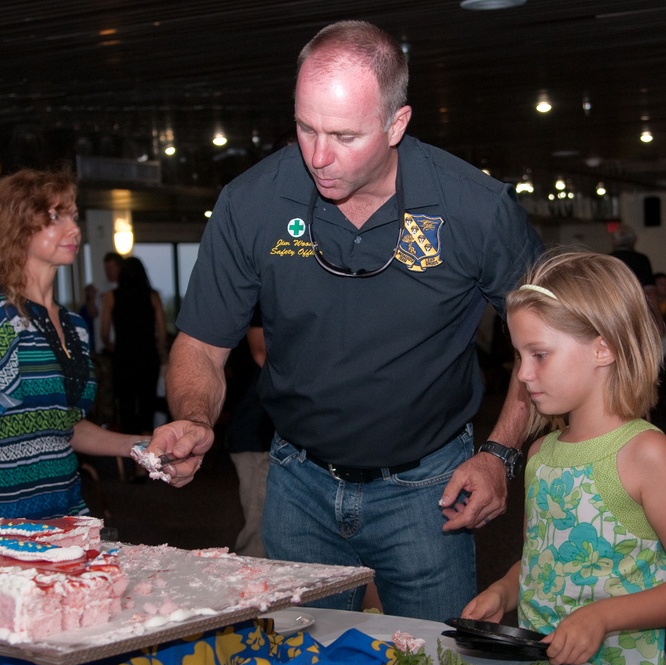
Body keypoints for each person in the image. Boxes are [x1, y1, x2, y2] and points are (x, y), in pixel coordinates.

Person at [144, 20, 543, 620]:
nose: (317, 156)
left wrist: (500, 453)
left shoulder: (474, 208)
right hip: (297, 483)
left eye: (343, 135)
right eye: (305, 127)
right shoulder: (252, 203)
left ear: (396, 125)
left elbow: (548, 343)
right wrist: (194, 417)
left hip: (428, 488)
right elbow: (201, 345)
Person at [462, 250, 666, 665]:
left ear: (603, 349)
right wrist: (506, 589)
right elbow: (544, 560)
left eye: (539, 355)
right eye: (520, 356)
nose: (522, 374)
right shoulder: (541, 454)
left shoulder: (647, 455)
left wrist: (602, 616)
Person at [0, 169, 144, 518]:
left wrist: (137, 446)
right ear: (15, 228)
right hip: (5, 515)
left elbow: (65, 426)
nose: (74, 229)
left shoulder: (76, 327)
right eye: (55, 217)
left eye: (73, 216)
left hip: (68, 511)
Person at [100, 256, 167, 436]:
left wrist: (111, 346)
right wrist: (158, 350)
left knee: (126, 407)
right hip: (147, 357)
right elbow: (162, 332)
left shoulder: (110, 297)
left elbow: (104, 332)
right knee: (148, 407)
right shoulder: (153, 296)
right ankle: (146, 458)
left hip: (123, 357)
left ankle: (130, 455)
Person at [225, 312, 273, 558]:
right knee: (259, 533)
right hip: (255, 432)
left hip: (267, 431)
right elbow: (262, 353)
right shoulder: (261, 299)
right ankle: (252, 594)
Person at [609, 223, 664, 334]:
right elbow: (650, 293)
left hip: (612, 315)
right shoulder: (641, 260)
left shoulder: (607, 260)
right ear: (634, 240)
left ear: (614, 241)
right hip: (637, 314)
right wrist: (658, 319)